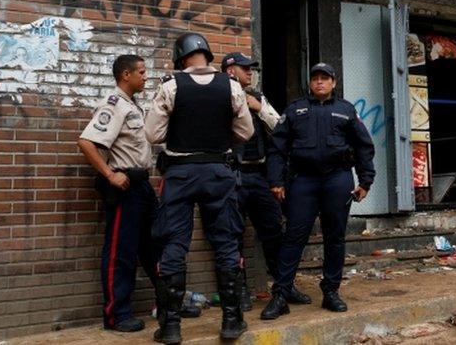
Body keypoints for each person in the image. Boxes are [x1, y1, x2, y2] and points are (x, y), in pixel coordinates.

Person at [145, 33, 254, 344]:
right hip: (219, 173)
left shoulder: (171, 86)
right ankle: (232, 322)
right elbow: (245, 131)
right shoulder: (231, 86)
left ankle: (170, 327)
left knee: (174, 246)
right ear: (207, 55)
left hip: (180, 175)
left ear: (181, 58)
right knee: (225, 245)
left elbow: (153, 134)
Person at [260, 63, 376, 320]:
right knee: (293, 236)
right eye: (316, 78)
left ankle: (331, 292)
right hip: (304, 181)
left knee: (334, 237)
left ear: (334, 83)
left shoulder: (346, 110)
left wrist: (365, 181)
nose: (320, 82)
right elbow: (277, 148)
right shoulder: (295, 110)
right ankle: (281, 294)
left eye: (325, 78)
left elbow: (363, 146)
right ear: (310, 83)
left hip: (338, 179)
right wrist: (276, 181)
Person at [220, 52, 312, 311]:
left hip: (259, 176)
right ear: (230, 71)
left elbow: (280, 127)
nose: (250, 73)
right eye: (245, 68)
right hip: (230, 174)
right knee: (232, 235)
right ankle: (239, 292)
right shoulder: (217, 94)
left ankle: (284, 286)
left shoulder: (258, 97)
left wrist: (258, 108)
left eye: (251, 69)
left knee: (273, 232)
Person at [77, 55, 157, 333]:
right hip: (126, 188)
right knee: (121, 251)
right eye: (142, 72)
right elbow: (86, 142)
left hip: (142, 187)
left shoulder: (133, 105)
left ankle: (168, 302)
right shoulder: (113, 105)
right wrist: (110, 175)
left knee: (155, 243)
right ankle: (117, 315)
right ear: (126, 75)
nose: (145, 76)